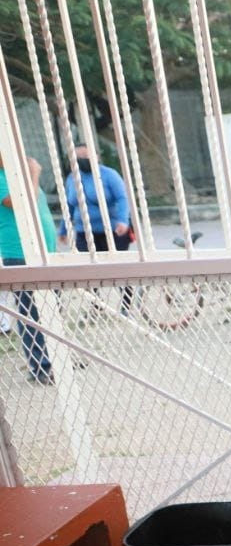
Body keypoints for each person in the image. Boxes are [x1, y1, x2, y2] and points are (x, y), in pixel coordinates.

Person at [0, 153, 57, 384]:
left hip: (44, 250)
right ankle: (40, 366)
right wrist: (33, 174)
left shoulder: (18, 174)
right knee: (30, 312)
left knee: (52, 307)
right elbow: (24, 204)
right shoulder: (4, 177)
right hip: (20, 253)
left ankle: (56, 356)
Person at [60, 144, 134, 313]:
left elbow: (122, 199)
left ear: (95, 157)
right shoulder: (72, 179)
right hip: (84, 231)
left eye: (85, 156)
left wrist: (123, 221)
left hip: (113, 231)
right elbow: (69, 207)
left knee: (118, 269)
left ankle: (126, 305)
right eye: (77, 157)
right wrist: (64, 229)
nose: (81, 161)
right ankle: (96, 305)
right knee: (87, 269)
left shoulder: (109, 175)